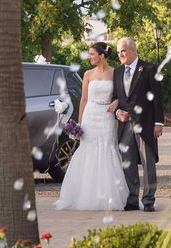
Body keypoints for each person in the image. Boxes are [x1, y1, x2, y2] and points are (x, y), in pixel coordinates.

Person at [55, 42, 129, 210]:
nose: (90, 57)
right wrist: (80, 123)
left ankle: (109, 196)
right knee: (88, 151)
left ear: (101, 55)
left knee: (107, 149)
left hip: (107, 116)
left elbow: (123, 94)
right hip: (90, 114)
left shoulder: (116, 73)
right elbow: (83, 99)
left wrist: (116, 101)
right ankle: (86, 194)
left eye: (92, 54)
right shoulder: (88, 74)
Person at [113, 37, 164, 212]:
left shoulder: (149, 69)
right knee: (128, 162)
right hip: (125, 125)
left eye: (124, 51)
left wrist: (158, 123)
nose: (120, 54)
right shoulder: (117, 72)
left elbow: (157, 97)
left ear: (133, 50)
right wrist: (118, 112)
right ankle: (132, 199)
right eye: (119, 52)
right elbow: (117, 100)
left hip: (146, 124)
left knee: (148, 162)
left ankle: (149, 200)